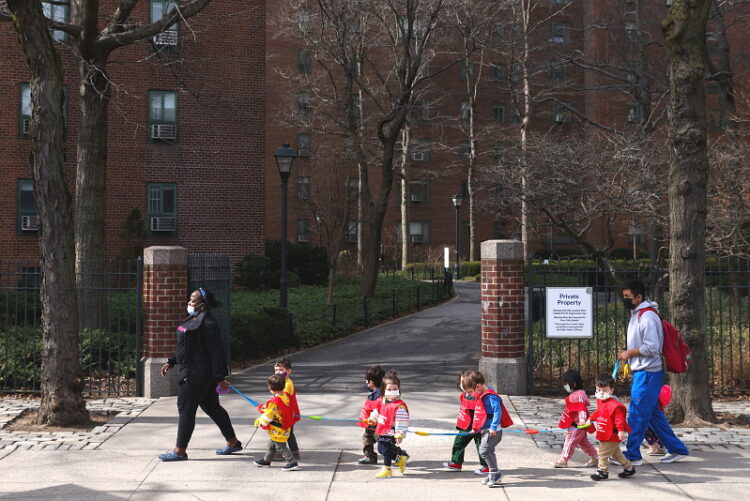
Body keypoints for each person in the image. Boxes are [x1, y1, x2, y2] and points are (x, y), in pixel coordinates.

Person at [158, 288, 241, 461]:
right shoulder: (194, 319)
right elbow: (188, 347)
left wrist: (220, 378)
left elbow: (216, 352)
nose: (189, 303)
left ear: (202, 305)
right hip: (198, 373)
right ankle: (233, 442)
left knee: (186, 409)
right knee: (212, 407)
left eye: (193, 301)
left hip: (196, 375)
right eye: (189, 300)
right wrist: (171, 361)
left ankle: (180, 451)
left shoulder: (208, 324)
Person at [619, 280, 689, 465]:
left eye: (628, 297)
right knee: (652, 414)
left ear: (639, 297)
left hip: (648, 371)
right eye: (623, 296)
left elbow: (652, 347)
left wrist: (629, 353)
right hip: (645, 371)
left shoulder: (647, 317)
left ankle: (632, 455)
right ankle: (677, 449)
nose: (624, 299)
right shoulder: (638, 314)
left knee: (637, 413)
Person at [466, 371, 513, 488]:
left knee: (484, 451)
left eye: (471, 391)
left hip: (493, 430)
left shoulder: (491, 396)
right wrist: (476, 428)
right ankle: (493, 473)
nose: (472, 393)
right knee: (488, 451)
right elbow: (481, 414)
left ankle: (495, 473)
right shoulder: (484, 394)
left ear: (477, 386)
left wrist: (493, 427)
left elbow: (497, 412)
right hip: (486, 430)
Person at [586, 373, 635, 481]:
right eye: (598, 390)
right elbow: (599, 412)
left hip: (612, 434)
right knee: (616, 453)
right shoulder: (601, 401)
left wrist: (621, 431)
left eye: (604, 390)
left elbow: (620, 419)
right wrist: (591, 419)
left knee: (602, 454)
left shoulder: (615, 405)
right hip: (604, 432)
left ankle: (603, 471)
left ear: (611, 390)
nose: (601, 393)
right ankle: (629, 468)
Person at [443, 370, 489, 475]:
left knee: (481, 447)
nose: (461, 386)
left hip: (478, 427)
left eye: (464, 384)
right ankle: (456, 462)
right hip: (465, 425)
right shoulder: (464, 395)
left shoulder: (481, 396)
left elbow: (481, 412)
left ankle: (486, 466)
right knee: (458, 443)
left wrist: (479, 427)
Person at [252, 374, 300, 471]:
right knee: (271, 445)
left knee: (280, 446)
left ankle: (292, 462)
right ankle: (267, 460)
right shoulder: (285, 397)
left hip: (278, 429)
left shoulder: (274, 401)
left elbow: (268, 415)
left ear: (270, 388)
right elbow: (278, 409)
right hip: (284, 427)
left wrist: (260, 422)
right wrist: (266, 407)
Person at [367, 370, 409, 479]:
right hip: (382, 429)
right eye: (389, 389)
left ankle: (387, 470)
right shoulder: (382, 400)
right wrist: (372, 418)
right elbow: (377, 411)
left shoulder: (399, 406)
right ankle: (400, 459)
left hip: (391, 431)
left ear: (399, 389)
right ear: (383, 390)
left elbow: (402, 421)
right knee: (381, 449)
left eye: (395, 389)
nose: (392, 391)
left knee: (385, 449)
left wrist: (399, 433)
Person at [554, 369, 598, 468]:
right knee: (583, 443)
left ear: (573, 384)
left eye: (566, 383)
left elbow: (581, 409)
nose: (564, 386)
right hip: (577, 425)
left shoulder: (578, 396)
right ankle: (596, 457)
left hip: (577, 425)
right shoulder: (578, 394)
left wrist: (582, 421)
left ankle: (563, 459)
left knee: (570, 441)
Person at [357, 365, 385, 465]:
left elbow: (379, 410)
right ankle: (370, 456)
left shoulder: (380, 394)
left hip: (378, 425)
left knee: (384, 443)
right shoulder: (374, 392)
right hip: (370, 424)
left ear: (371, 382)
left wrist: (372, 418)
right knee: (367, 439)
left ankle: (400, 455)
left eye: (366, 380)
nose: (366, 382)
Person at [273, 358, 301, 459]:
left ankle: (281, 453)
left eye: (280, 370)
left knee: (282, 432)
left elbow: (281, 398)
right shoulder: (282, 382)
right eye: (276, 370)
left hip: (288, 413)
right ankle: (294, 452)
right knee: (288, 433)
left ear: (288, 371)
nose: (278, 372)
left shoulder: (287, 383)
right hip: (286, 413)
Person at [644, 384, 672, 455]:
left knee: (646, 429)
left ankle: (654, 446)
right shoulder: (657, 387)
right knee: (656, 430)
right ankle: (660, 446)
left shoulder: (650, 388)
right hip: (657, 412)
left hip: (650, 412)